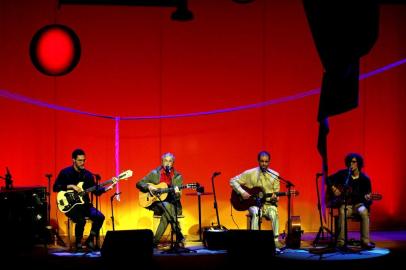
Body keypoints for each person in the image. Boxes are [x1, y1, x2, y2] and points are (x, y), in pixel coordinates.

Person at [53, 148, 116, 251]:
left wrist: (107, 188)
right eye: (80, 160)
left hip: (85, 205)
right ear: (73, 160)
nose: (82, 163)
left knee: (100, 217)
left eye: (84, 160)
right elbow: (55, 187)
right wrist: (71, 186)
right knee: (81, 220)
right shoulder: (65, 172)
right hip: (71, 206)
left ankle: (90, 239)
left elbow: (95, 191)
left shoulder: (88, 175)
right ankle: (78, 242)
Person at [230, 150, 283, 248]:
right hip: (253, 203)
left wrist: (275, 198)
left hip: (268, 204)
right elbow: (232, 181)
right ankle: (254, 241)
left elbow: (277, 195)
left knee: (274, 212)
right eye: (262, 161)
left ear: (269, 162)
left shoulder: (275, 175)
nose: (264, 164)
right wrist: (242, 192)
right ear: (258, 161)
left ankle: (275, 240)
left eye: (266, 162)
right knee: (255, 212)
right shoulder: (250, 173)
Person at [136, 152, 185, 248]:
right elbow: (139, 183)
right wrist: (149, 186)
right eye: (166, 161)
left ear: (173, 163)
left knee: (168, 211)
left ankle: (154, 242)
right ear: (162, 162)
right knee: (167, 207)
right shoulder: (154, 173)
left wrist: (177, 193)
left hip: (174, 205)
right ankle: (179, 234)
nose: (167, 163)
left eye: (170, 161)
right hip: (156, 203)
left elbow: (178, 197)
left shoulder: (178, 176)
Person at [327, 153, 375, 250]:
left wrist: (367, 199)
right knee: (342, 211)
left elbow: (368, 199)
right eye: (349, 162)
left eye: (353, 162)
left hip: (359, 205)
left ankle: (365, 241)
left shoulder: (365, 179)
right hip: (346, 205)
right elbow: (328, 179)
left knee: (364, 211)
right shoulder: (343, 174)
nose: (351, 164)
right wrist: (334, 189)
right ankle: (341, 242)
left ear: (359, 163)